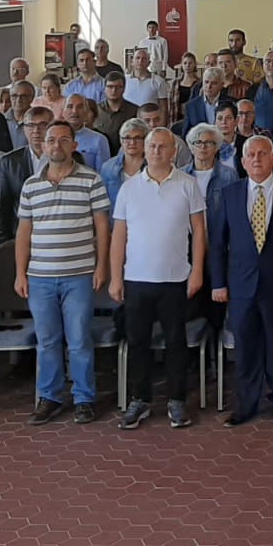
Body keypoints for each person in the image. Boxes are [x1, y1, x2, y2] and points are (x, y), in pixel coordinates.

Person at [208, 135, 273, 426]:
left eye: (262, 153)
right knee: (246, 346)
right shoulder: (230, 193)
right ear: (243, 162)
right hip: (241, 286)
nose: (257, 159)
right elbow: (217, 244)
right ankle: (246, 404)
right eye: (251, 155)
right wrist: (218, 283)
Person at [109, 127, 206, 430]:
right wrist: (116, 277)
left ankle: (176, 401)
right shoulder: (129, 189)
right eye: (152, 146)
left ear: (174, 152)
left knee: (176, 342)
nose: (156, 151)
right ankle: (140, 400)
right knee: (138, 342)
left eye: (163, 147)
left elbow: (199, 232)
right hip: (137, 279)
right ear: (144, 149)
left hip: (175, 279)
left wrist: (197, 271)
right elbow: (118, 236)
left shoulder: (188, 184)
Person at [16, 120, 111, 425]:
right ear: (43, 145)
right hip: (40, 277)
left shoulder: (91, 180)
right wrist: (20, 273)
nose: (56, 145)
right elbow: (23, 232)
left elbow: (102, 227)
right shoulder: (31, 185)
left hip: (79, 275)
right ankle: (49, 397)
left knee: (79, 339)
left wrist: (102, 266)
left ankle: (84, 399)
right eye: (51, 140)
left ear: (74, 145)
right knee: (47, 340)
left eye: (63, 140)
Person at [0, 107, 59, 247]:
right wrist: (4, 243)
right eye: (30, 125)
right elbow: (1, 207)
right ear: (24, 129)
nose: (36, 131)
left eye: (42, 125)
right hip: (21, 237)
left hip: (57, 233)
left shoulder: (67, 157)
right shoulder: (9, 161)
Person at [100, 120, 149, 209]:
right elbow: (103, 201)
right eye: (127, 138)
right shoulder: (108, 167)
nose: (132, 142)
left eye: (137, 138)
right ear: (121, 141)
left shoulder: (154, 166)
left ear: (146, 140)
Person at [92, 72, 138, 159]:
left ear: (124, 88)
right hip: (99, 157)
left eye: (118, 87)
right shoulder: (95, 110)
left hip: (126, 157)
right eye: (110, 86)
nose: (114, 90)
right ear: (104, 88)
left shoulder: (134, 111)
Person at [62, 95, 110, 172]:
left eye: (80, 107)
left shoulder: (99, 140)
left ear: (86, 112)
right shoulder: (52, 137)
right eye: (70, 106)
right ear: (62, 112)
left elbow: (103, 174)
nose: (74, 111)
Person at [184, 68, 235, 135]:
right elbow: (186, 134)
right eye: (206, 82)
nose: (209, 86)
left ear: (222, 85)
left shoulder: (232, 103)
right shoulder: (191, 106)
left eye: (213, 83)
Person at [4, 80, 36, 148]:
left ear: (32, 98)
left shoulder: (38, 121)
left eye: (23, 96)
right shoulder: (0, 120)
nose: (18, 100)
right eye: (14, 96)